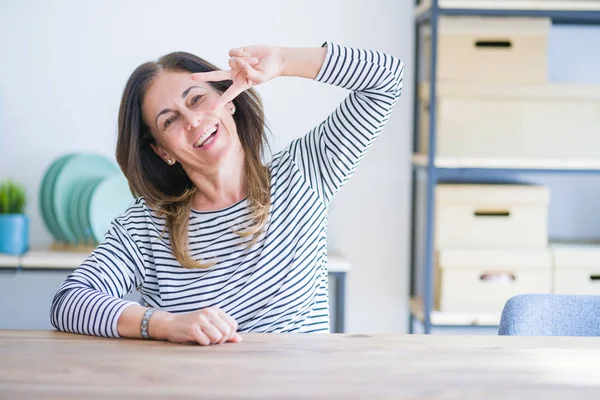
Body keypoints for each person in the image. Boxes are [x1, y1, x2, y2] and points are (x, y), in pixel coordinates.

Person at [50, 41, 404, 345]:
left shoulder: (304, 174)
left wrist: (283, 61)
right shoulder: (146, 226)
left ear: (229, 99)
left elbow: (387, 79)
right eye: (169, 121)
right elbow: (69, 302)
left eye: (197, 98)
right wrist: (163, 324)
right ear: (163, 151)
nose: (192, 120)